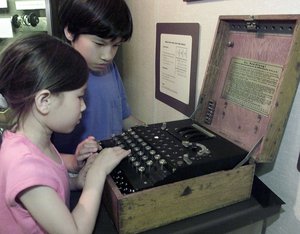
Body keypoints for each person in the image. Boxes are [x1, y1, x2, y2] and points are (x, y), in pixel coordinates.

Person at [0, 33, 130, 234]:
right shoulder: (24, 166)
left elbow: (49, 184)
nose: (84, 106)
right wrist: (97, 173)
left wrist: (76, 181)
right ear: (45, 101)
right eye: (79, 97)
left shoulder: (34, 140)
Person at [52, 0, 144, 163]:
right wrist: (74, 161)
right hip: (74, 176)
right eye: (99, 43)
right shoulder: (54, 76)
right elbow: (37, 150)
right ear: (69, 31)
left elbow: (124, 117)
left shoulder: (109, 68)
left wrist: (156, 135)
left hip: (110, 167)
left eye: (115, 45)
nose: (108, 56)